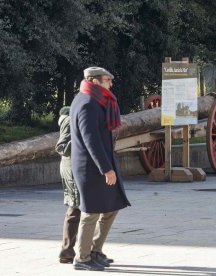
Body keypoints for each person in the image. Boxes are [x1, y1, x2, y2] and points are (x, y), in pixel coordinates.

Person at [70, 67, 131, 271]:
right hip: (90, 167)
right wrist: (106, 169)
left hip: (101, 163)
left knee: (111, 206)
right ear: (95, 81)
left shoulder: (94, 100)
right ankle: (83, 257)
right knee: (91, 212)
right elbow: (91, 141)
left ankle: (95, 251)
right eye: (107, 80)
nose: (110, 84)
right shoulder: (86, 103)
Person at [55, 106, 81, 264]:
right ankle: (67, 250)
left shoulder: (69, 120)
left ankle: (69, 251)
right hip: (72, 168)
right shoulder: (70, 121)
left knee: (76, 208)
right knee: (75, 207)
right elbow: (62, 147)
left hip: (72, 167)